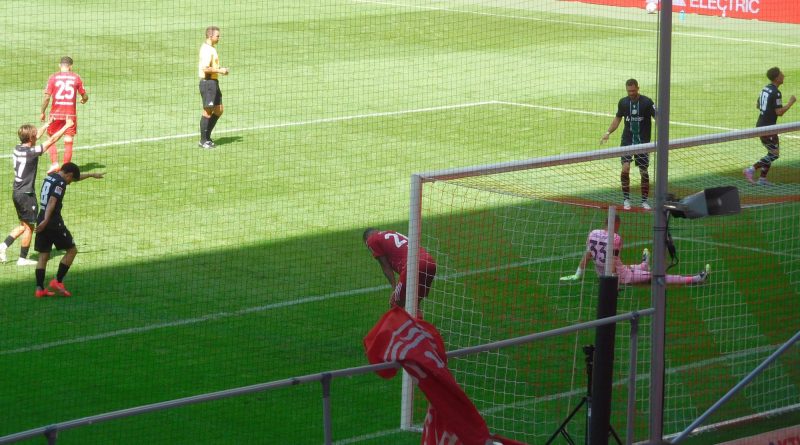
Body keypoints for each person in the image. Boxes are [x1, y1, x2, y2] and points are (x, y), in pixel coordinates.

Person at [0, 119, 74, 265]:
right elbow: (52, 140)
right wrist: (66, 126)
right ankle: (22, 259)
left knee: (24, 225)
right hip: (27, 194)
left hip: (17, 192)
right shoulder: (31, 153)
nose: (37, 136)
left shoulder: (18, 148)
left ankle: (3, 246)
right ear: (31, 138)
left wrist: (47, 124)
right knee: (29, 226)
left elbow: (35, 138)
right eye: (35, 135)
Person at [560, 214, 709, 285]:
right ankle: (695, 279)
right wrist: (613, 285)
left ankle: (643, 264)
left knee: (628, 267)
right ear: (616, 224)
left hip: (606, 274)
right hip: (620, 277)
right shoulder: (616, 238)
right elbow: (611, 262)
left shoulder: (593, 233)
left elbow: (587, 256)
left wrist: (577, 275)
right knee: (657, 277)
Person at [33, 162, 104, 298]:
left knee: (44, 254)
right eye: (71, 179)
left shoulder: (51, 176)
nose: (71, 182)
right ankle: (57, 281)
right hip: (52, 221)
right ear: (68, 174)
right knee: (72, 250)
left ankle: (40, 288)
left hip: (41, 216)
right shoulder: (61, 183)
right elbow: (52, 202)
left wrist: (90, 175)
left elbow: (75, 178)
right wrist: (47, 221)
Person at [600, 79, 656, 211]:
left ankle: (644, 201)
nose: (631, 93)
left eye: (633, 90)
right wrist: (608, 132)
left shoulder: (647, 102)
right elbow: (618, 119)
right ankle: (626, 199)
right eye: (629, 91)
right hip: (627, 141)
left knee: (643, 171)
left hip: (642, 142)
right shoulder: (623, 102)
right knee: (625, 169)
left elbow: (658, 117)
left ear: (638, 88)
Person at [744, 67, 796, 186]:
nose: (783, 75)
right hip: (768, 128)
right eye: (781, 74)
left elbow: (758, 105)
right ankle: (751, 169)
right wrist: (791, 103)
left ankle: (762, 179)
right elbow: (779, 112)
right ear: (777, 78)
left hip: (762, 125)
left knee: (771, 152)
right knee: (774, 154)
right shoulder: (776, 92)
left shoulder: (765, 88)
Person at [363, 228, 437, 308]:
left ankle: (403, 320)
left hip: (413, 265)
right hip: (430, 262)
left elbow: (385, 266)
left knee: (395, 303)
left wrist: (394, 288)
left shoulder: (371, 240)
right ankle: (417, 320)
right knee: (414, 304)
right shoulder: (391, 233)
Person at [40, 56, 88, 173]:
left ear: (59, 65)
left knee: (51, 138)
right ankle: (65, 170)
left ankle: (55, 164)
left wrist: (42, 112)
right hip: (70, 115)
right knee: (68, 139)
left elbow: (47, 97)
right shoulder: (76, 77)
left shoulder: (53, 78)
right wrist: (84, 100)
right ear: (71, 66)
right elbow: (84, 95)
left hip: (55, 114)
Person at [197, 25, 229, 149]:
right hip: (208, 83)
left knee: (219, 109)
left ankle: (207, 137)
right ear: (210, 36)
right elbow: (205, 68)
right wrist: (221, 71)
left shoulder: (211, 48)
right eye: (217, 36)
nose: (219, 38)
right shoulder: (206, 50)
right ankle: (203, 140)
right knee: (207, 111)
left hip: (213, 82)